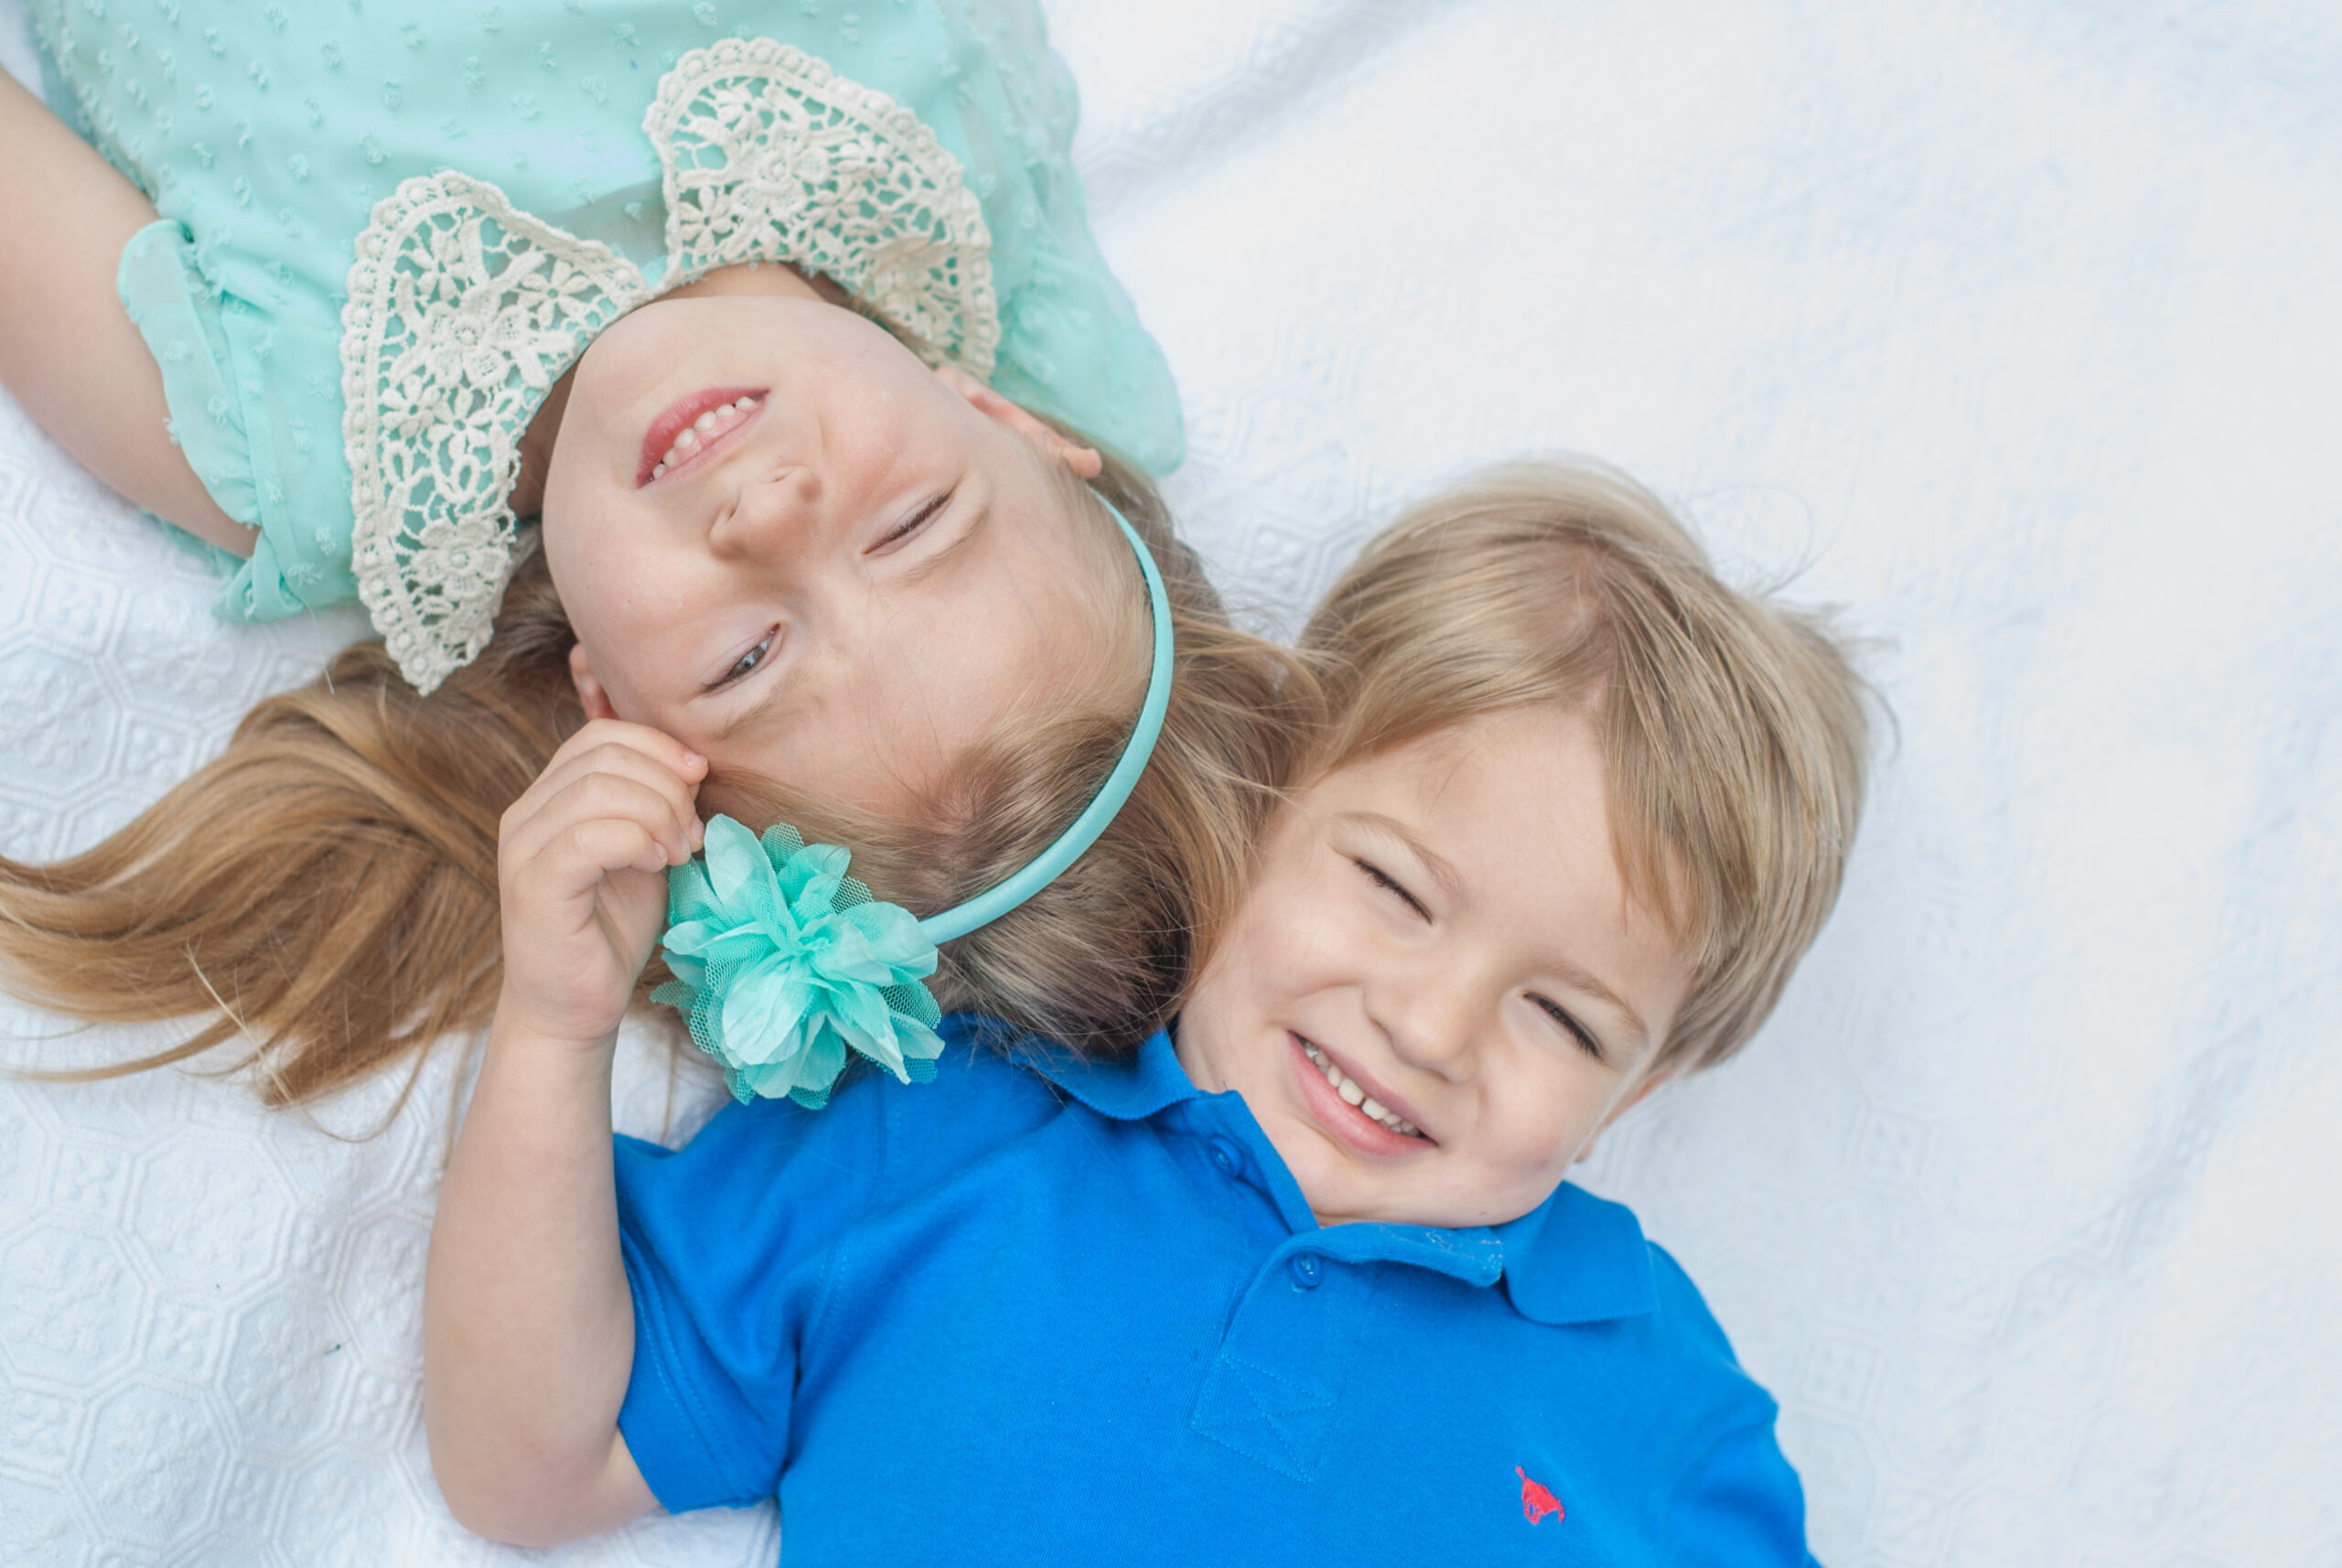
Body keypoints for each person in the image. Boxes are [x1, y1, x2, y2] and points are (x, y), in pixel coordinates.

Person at [426, 461, 1873, 1560]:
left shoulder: (1659, 1411)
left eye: (1563, 1018)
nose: (1430, 1026)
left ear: (1641, 1088)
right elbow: (528, 1466)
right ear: (1270, 789)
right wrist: (559, 1028)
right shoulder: (946, 1128)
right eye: (1392, 884)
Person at [0, 3, 1303, 1097]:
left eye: (747, 656)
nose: (766, 519)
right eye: (912, 525)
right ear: (1000, 411)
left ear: (606, 704)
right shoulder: (927, 112)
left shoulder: (282, 440)